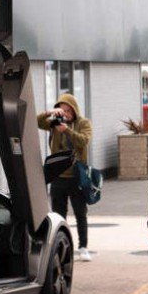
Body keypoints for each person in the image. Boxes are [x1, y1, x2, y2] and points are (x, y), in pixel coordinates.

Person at [37, 93, 93, 261]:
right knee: (58, 215)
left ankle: (83, 247)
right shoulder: (55, 123)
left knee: (80, 214)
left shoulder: (83, 123)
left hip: (77, 176)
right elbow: (36, 121)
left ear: (75, 110)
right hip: (58, 176)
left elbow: (83, 141)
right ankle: (60, 247)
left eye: (69, 110)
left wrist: (67, 130)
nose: (66, 114)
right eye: (63, 110)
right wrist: (50, 112)